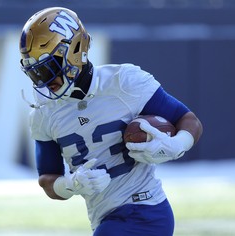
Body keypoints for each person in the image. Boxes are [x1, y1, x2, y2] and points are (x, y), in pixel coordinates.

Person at [19, 7, 203, 236]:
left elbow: (188, 120)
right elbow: (47, 178)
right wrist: (71, 184)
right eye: (36, 73)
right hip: (105, 219)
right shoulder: (43, 113)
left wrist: (177, 144)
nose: (44, 81)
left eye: (49, 68)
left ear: (74, 51)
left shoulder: (124, 83)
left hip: (146, 211)